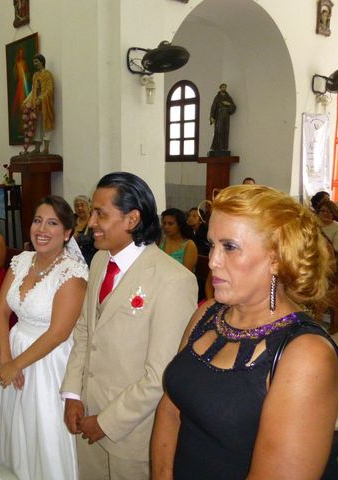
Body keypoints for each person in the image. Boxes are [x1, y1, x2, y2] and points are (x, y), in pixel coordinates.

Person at [151, 185, 338, 479]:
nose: (212, 260)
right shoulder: (208, 313)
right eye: (212, 244)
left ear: (278, 258)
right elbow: (171, 408)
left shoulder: (306, 356)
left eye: (229, 246)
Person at [61, 172, 198, 479]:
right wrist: (72, 393)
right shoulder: (99, 261)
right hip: (88, 414)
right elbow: (85, 331)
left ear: (132, 219)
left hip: (132, 432)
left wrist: (106, 422)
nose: (92, 222)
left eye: (101, 214)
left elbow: (160, 374)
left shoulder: (173, 280)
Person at [0, 195, 88, 480]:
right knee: (13, 425)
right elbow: (0, 311)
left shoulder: (72, 273)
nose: (41, 229)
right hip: (14, 348)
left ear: (67, 233)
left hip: (49, 360)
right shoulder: (21, 260)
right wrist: (6, 359)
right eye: (37, 220)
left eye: (52, 223)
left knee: (42, 428)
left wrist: (17, 364)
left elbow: (59, 333)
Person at [23, 54, 55, 154]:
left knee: (46, 126)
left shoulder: (48, 74)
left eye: (36, 61)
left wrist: (41, 98)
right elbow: (33, 90)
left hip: (46, 105)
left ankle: (46, 149)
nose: (35, 64)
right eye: (34, 62)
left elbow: (50, 89)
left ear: (42, 61)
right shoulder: (35, 75)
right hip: (36, 106)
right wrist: (26, 101)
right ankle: (37, 148)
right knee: (37, 126)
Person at [160, 208, 198, 272]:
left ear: (180, 225)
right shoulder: (162, 241)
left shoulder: (189, 245)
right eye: (164, 223)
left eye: (170, 224)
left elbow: (187, 274)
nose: (166, 227)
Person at [209, 83, 236, 154]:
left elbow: (233, 107)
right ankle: (216, 147)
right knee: (218, 130)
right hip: (219, 115)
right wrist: (212, 117)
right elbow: (213, 108)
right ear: (220, 88)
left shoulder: (228, 98)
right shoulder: (217, 98)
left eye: (225, 87)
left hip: (226, 116)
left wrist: (229, 104)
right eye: (222, 87)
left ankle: (224, 148)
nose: (224, 88)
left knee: (225, 131)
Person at [73, 194, 97, 266]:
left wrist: (75, 239)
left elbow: (92, 237)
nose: (79, 208)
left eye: (82, 205)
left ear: (89, 206)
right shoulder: (71, 219)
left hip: (89, 257)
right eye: (77, 206)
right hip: (72, 257)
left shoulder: (94, 220)